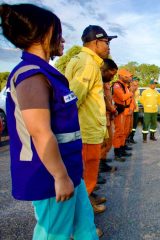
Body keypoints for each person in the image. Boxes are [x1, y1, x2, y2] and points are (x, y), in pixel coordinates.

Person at [1, 3, 99, 238]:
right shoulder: (32, 75)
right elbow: (40, 132)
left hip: (68, 169)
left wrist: (71, 171)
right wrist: (60, 176)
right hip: (49, 175)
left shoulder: (47, 73)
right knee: (54, 234)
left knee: (85, 228)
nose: (63, 40)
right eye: (58, 32)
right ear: (45, 34)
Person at [65, 25, 117, 215]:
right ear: (95, 42)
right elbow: (73, 99)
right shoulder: (88, 63)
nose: (109, 47)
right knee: (85, 178)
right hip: (85, 131)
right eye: (106, 42)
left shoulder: (88, 62)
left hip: (88, 129)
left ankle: (86, 204)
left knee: (86, 177)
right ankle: (79, 223)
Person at [99, 58, 118, 173]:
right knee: (103, 142)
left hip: (107, 115)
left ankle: (102, 162)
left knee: (108, 141)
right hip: (102, 115)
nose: (112, 77)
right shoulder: (98, 81)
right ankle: (99, 166)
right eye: (112, 74)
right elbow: (103, 98)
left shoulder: (106, 82)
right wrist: (111, 108)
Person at [112, 69, 134, 160]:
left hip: (126, 110)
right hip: (120, 111)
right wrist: (131, 93)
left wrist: (131, 108)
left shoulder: (125, 86)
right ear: (120, 76)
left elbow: (129, 99)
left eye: (129, 77)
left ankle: (122, 148)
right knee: (119, 132)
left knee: (124, 131)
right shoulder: (117, 85)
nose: (129, 78)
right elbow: (122, 97)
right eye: (127, 77)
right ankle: (117, 152)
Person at [128, 77, 140, 143]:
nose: (137, 82)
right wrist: (133, 88)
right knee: (129, 125)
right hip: (131, 109)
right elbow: (131, 96)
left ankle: (131, 137)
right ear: (132, 81)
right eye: (135, 81)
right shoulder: (131, 88)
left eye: (137, 81)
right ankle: (128, 138)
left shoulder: (138, 89)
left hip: (136, 109)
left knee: (134, 125)